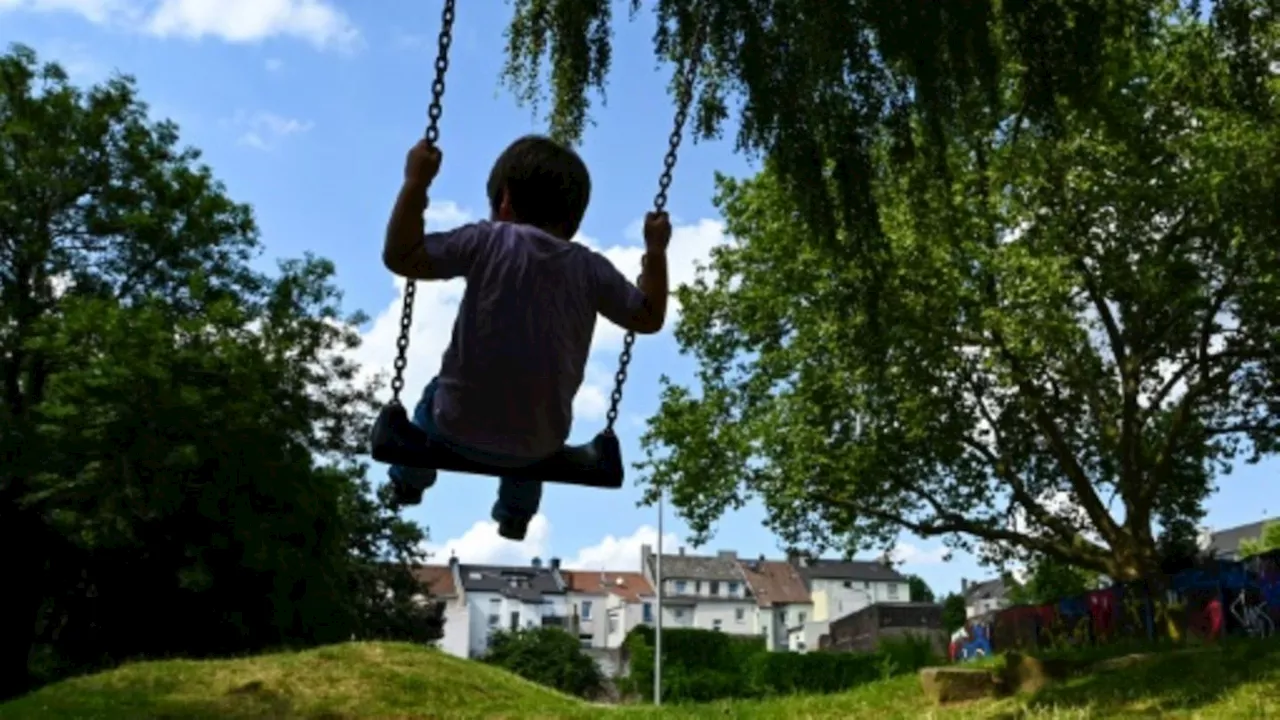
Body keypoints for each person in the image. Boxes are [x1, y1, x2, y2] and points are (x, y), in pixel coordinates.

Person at [381, 135, 671, 541]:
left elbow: (401, 255)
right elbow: (648, 317)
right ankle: (515, 515)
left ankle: (408, 480)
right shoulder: (591, 269)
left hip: (455, 423)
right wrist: (655, 252)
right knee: (532, 430)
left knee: (433, 397)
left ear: (504, 201)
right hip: (539, 443)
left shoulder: (486, 240)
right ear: (573, 221)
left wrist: (416, 182)